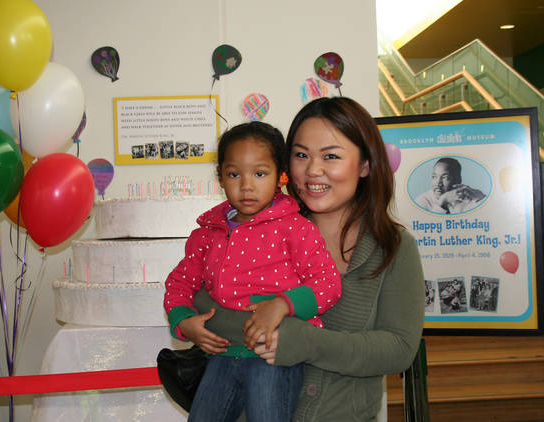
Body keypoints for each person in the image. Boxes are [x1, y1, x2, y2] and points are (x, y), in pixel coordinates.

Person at [190, 97, 425, 421]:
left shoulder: (393, 247)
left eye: (331, 156)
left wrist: (306, 341)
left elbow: (398, 349)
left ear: (365, 165)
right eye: (301, 155)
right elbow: (204, 300)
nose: (313, 170)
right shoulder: (256, 229)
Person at [163, 121, 342, 421]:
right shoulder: (207, 234)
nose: (246, 185)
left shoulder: (295, 228)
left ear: (280, 176)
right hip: (221, 354)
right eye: (234, 174)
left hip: (274, 355)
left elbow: (328, 284)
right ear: (220, 176)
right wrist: (184, 322)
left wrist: (282, 305)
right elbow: (179, 284)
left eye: (260, 174)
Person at [415, 157, 485, 214]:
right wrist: (441, 203)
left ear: (458, 179)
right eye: (434, 176)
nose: (438, 183)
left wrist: (481, 199)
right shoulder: (422, 201)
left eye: (445, 177)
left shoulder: (470, 199)